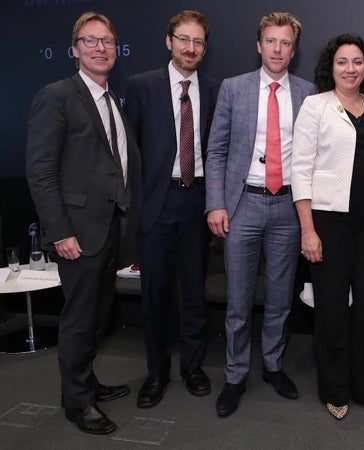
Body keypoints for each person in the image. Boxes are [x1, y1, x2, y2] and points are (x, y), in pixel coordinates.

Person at [25, 12, 142, 435]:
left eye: (107, 41)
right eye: (90, 41)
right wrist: (59, 231)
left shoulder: (111, 101)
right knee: (79, 319)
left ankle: (86, 382)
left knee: (99, 314)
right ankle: (77, 403)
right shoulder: (56, 96)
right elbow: (41, 172)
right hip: (76, 232)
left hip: (109, 230)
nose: (100, 48)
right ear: (74, 49)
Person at [204, 11, 315, 418]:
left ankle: (272, 365)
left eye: (285, 43)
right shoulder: (233, 88)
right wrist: (215, 203)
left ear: (294, 50)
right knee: (238, 300)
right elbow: (216, 150)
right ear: (258, 45)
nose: (277, 49)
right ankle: (235, 376)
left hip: (288, 206)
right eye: (271, 41)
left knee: (280, 298)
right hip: (242, 205)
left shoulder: (308, 93)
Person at [292, 33, 364, 420]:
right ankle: (335, 389)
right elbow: (300, 169)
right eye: (342, 62)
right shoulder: (315, 106)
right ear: (330, 67)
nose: (350, 69)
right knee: (333, 308)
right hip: (329, 223)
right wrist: (308, 230)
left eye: (357, 61)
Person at [125, 10, 220, 409]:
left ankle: (193, 367)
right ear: (169, 41)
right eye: (184, 39)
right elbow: (130, 153)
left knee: (194, 292)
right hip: (156, 203)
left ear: (204, 48)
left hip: (197, 201)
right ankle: (157, 373)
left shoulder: (215, 89)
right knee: (155, 295)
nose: (190, 47)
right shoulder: (141, 85)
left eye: (198, 41)